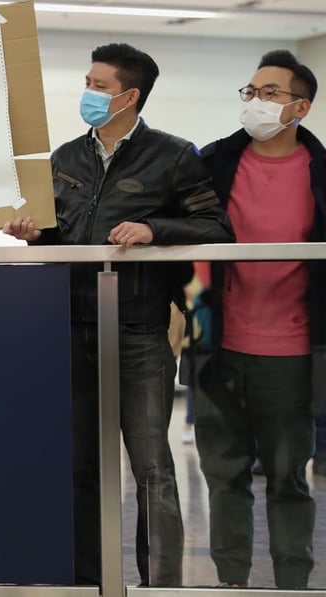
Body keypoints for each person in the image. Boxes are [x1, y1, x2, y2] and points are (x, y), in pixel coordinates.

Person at [3, 43, 234, 586]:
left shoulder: (174, 156)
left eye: (99, 86)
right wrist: (35, 236)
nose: (88, 93)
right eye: (88, 82)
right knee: (79, 465)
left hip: (138, 328)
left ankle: (160, 585)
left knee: (152, 468)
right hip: (70, 328)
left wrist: (157, 229)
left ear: (130, 97)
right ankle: (88, 579)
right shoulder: (64, 158)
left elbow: (216, 230)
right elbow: (61, 238)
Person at [196, 49, 323, 589]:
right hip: (219, 345)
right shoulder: (214, 161)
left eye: (270, 93)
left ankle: (294, 582)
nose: (256, 101)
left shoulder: (323, 174)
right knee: (224, 477)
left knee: (288, 478)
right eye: (250, 91)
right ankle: (232, 582)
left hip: (293, 351)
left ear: (301, 107)